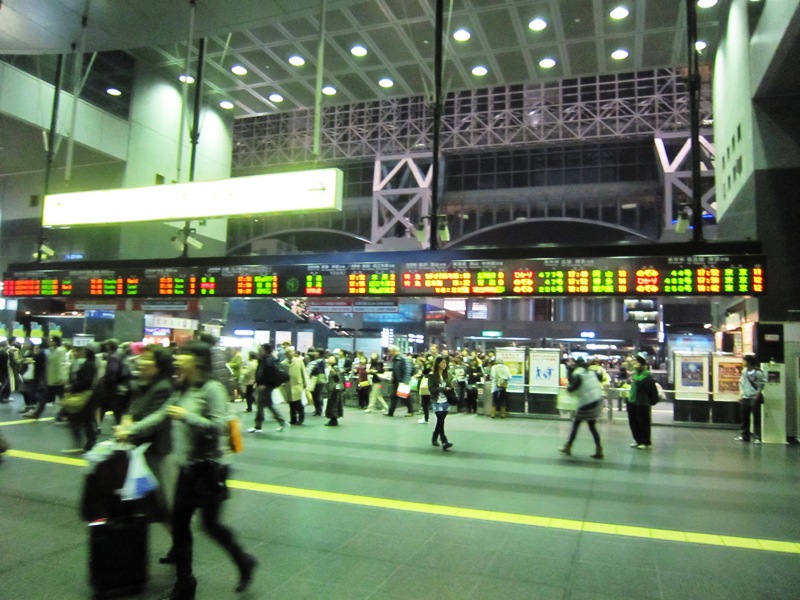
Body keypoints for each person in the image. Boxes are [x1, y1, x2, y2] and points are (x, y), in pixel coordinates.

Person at [117, 341, 256, 600]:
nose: (177, 358)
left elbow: (219, 426)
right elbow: (162, 414)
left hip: (211, 469)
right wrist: (131, 430)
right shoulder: (182, 387)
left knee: (211, 526)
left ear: (198, 360)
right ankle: (185, 583)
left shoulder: (212, 389)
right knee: (180, 526)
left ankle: (244, 560)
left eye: (184, 354)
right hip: (187, 468)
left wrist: (186, 416)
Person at [120, 344, 176, 523]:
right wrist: (127, 419)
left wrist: (129, 430)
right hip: (140, 448)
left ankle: (178, 536)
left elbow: (155, 421)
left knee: (162, 502)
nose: (141, 362)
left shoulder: (164, 387)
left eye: (147, 359)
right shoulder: (142, 383)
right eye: (142, 357)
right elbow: (132, 408)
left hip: (155, 450)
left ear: (160, 365)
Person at [558, 357, 604, 459]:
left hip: (586, 402)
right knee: (592, 426)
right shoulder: (590, 371)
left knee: (576, 424)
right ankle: (599, 449)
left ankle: (568, 447)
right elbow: (600, 377)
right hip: (596, 399)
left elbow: (573, 388)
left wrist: (568, 388)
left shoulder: (578, 373)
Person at [63, 344, 100, 453]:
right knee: (86, 420)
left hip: (84, 396)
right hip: (90, 395)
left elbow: (86, 381)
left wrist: (72, 387)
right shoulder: (94, 363)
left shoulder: (88, 364)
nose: (81, 352)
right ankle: (89, 442)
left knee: (77, 419)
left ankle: (84, 443)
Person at [248, 343, 287, 433]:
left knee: (261, 405)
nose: (259, 351)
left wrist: (264, 384)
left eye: (261, 349)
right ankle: (281, 421)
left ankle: (258, 426)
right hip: (263, 386)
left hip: (265, 386)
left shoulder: (268, 360)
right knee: (267, 405)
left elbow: (269, 374)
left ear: (265, 350)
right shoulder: (264, 359)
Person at [627, 353, 658, 449]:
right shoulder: (635, 374)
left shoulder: (647, 375)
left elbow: (643, 385)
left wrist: (635, 378)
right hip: (632, 401)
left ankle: (645, 442)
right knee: (633, 422)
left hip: (642, 402)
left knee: (643, 422)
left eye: (636, 362)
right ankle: (638, 440)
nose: (634, 364)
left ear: (641, 363)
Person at [736, 354, 766, 444]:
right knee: (744, 418)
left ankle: (757, 437)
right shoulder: (744, 371)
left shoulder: (758, 372)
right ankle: (745, 435)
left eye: (744, 360)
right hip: (745, 397)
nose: (743, 362)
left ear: (749, 362)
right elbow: (741, 383)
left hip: (754, 398)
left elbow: (762, 383)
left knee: (756, 417)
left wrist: (758, 392)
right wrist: (741, 394)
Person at [429, 355, 454, 451]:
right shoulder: (432, 376)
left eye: (445, 363)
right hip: (437, 401)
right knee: (441, 419)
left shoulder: (447, 375)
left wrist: (450, 387)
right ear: (438, 364)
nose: (445, 364)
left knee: (440, 421)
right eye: (443, 362)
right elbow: (431, 389)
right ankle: (444, 441)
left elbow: (450, 385)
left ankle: (435, 436)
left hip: (446, 401)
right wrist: (443, 389)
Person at [385, 345, 414, 417]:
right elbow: (395, 369)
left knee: (405, 397)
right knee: (393, 397)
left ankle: (410, 411)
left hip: (402, 381)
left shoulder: (403, 358)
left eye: (390, 351)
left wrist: (405, 381)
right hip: (395, 381)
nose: (390, 353)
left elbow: (408, 370)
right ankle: (390, 412)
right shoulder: (395, 358)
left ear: (394, 351)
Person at [284, 347, 308, 426]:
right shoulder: (283, 363)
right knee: (291, 404)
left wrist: (305, 382)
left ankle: (301, 418)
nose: (290, 354)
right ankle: (293, 419)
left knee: (298, 403)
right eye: (288, 353)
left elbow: (303, 372)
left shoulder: (299, 361)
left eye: (291, 352)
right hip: (288, 385)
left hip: (297, 384)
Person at [324, 355, 344, 426]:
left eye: (332, 358)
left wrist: (337, 388)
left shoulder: (335, 367)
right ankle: (333, 418)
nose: (330, 359)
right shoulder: (329, 367)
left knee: (333, 404)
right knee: (332, 403)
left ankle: (333, 419)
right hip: (332, 388)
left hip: (334, 389)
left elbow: (338, 377)